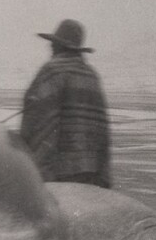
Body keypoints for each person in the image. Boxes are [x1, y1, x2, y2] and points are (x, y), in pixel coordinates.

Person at [20, 19, 112, 188]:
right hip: (91, 173)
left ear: (59, 46)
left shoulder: (52, 71)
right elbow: (102, 130)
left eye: (53, 43)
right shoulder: (91, 75)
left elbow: (34, 120)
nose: (50, 48)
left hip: (60, 173)